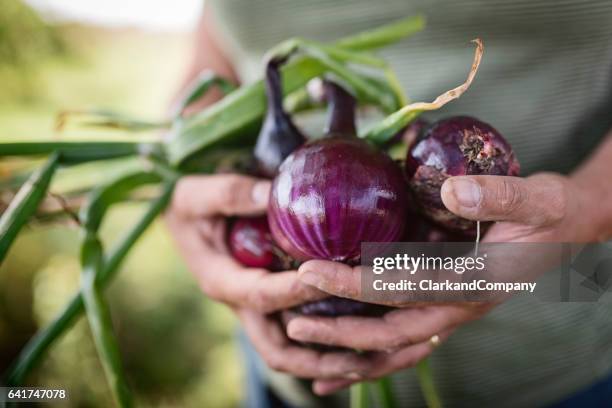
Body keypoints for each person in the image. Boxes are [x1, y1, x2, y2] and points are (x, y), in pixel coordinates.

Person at [166, 1, 612, 406]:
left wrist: (590, 205)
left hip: (555, 368)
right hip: (283, 379)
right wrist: (185, 187)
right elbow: (212, 65)